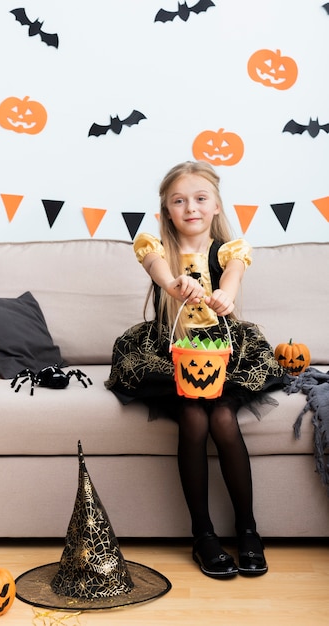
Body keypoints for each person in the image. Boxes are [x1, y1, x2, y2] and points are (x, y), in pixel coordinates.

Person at [105, 161, 286, 579]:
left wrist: (223, 292)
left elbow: (234, 276)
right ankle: (202, 535)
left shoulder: (229, 251)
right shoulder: (156, 247)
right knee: (192, 417)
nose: (191, 208)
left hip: (224, 351)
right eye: (179, 201)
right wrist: (173, 284)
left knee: (222, 417)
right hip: (170, 351)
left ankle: (247, 530)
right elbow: (157, 270)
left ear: (217, 205)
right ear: (166, 211)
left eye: (201, 199)